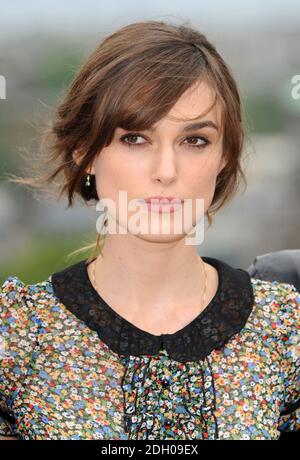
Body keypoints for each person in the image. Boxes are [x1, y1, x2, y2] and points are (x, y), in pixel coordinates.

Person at [0, 20, 299, 440]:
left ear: (225, 156)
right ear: (84, 152)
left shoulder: (284, 328)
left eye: (194, 140)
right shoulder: (17, 335)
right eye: (135, 138)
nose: (165, 171)